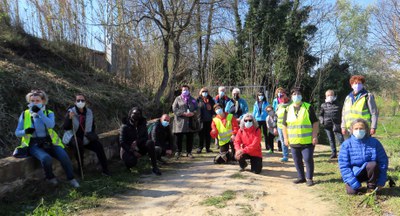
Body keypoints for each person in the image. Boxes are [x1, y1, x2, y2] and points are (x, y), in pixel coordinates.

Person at [14, 90, 79, 187]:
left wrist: (40, 113)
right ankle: (50, 178)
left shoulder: (49, 113)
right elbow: (17, 133)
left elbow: (51, 125)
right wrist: (25, 131)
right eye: (32, 101)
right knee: (46, 158)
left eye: (37, 101)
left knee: (64, 157)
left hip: (50, 142)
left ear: (43, 101)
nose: (34, 103)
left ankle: (71, 179)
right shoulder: (25, 114)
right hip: (34, 144)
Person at [62, 93, 110, 176]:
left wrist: (92, 134)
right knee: (78, 143)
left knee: (98, 145)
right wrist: (69, 118)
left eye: (82, 100)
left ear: (85, 102)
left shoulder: (89, 112)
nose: (80, 102)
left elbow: (92, 125)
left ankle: (105, 169)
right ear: (75, 102)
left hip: (86, 137)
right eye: (78, 100)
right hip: (72, 137)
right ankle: (81, 169)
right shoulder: (71, 112)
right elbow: (65, 127)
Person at [338, 118, 388, 195]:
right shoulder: (346, 145)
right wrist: (354, 184)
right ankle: (356, 186)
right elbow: (344, 166)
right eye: (356, 128)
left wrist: (381, 181)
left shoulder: (375, 143)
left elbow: (383, 162)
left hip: (371, 171)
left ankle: (371, 186)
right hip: (355, 173)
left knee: (373, 164)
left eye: (361, 128)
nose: (358, 131)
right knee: (352, 192)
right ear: (352, 130)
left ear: (366, 129)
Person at [282, 88, 319, 186]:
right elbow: (284, 125)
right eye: (294, 94)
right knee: (297, 160)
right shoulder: (287, 109)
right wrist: (285, 138)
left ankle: (309, 178)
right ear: (291, 96)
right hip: (294, 141)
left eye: (298, 93)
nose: (296, 95)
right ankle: (301, 177)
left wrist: (314, 136)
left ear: (301, 96)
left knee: (307, 159)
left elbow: (315, 122)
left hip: (307, 141)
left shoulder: (308, 107)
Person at [119, 107, 161, 175]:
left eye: (138, 114)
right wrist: (132, 151)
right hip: (128, 149)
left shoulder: (142, 124)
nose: (136, 116)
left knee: (150, 143)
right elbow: (122, 142)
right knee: (131, 162)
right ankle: (128, 167)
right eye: (134, 114)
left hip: (140, 146)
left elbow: (146, 137)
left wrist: (137, 141)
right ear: (130, 114)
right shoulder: (125, 126)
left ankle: (155, 167)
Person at [172, 85, 199, 159]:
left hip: (190, 121)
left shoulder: (193, 99)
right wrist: (183, 113)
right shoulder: (177, 99)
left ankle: (189, 152)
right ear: (181, 91)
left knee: (190, 137)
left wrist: (193, 113)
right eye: (184, 90)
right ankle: (178, 151)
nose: (185, 91)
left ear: (189, 90)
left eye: (186, 90)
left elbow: (197, 108)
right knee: (179, 138)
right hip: (180, 122)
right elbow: (174, 109)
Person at [319, 90, 344, 159]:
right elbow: (320, 115)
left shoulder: (339, 104)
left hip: (337, 124)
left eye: (331, 95)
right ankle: (334, 153)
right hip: (327, 125)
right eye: (328, 95)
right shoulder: (323, 105)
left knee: (341, 139)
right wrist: (322, 121)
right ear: (326, 96)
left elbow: (343, 114)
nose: (330, 96)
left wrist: (342, 123)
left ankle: (343, 153)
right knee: (331, 139)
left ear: (334, 95)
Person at [196, 87, 215, 154]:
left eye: (206, 91)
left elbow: (214, 108)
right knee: (201, 135)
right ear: (201, 92)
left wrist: (213, 114)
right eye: (203, 91)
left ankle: (208, 148)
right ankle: (200, 148)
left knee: (208, 135)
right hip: (201, 120)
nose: (205, 92)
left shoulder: (211, 100)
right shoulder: (198, 100)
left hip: (209, 120)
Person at [275, 88, 291, 162]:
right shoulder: (279, 105)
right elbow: (276, 115)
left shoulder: (292, 104)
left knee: (292, 141)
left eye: (283, 95)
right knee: (283, 141)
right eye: (280, 97)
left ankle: (296, 154)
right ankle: (285, 155)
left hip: (290, 126)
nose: (282, 98)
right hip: (280, 126)